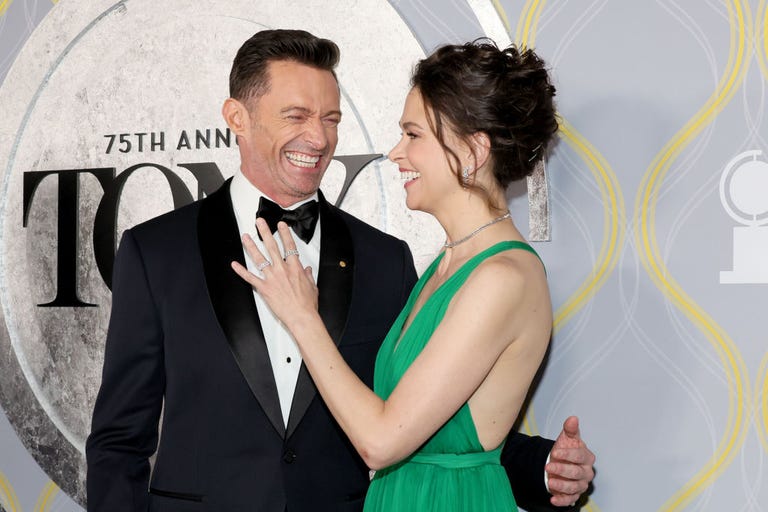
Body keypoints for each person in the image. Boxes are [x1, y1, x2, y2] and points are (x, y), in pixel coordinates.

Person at [85, 29, 594, 512]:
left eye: (331, 118)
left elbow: (426, 415)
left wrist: (539, 466)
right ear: (237, 117)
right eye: (297, 115)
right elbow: (118, 439)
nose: (319, 137)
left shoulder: (384, 259)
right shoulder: (156, 253)